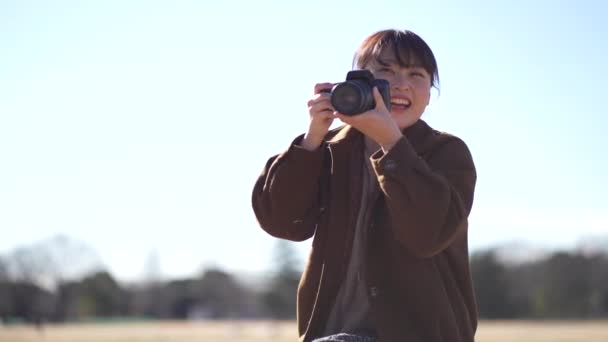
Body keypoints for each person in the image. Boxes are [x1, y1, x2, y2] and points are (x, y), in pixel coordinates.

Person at [252, 29, 477, 342]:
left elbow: (428, 234)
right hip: (330, 330)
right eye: (385, 71)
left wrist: (391, 142)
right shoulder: (328, 148)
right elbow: (282, 222)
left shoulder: (445, 152)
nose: (401, 84)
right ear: (359, 81)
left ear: (429, 93)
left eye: (417, 74)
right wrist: (311, 140)